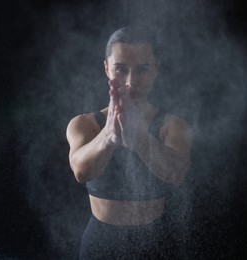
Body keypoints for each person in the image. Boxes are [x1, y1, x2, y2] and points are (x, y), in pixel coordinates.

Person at [66, 26, 192, 259]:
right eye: (120, 69)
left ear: (156, 70)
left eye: (142, 70)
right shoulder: (85, 124)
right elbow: (80, 172)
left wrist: (139, 139)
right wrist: (109, 137)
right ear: (106, 68)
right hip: (100, 245)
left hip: (156, 244)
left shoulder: (173, 126)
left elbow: (176, 174)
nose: (131, 82)